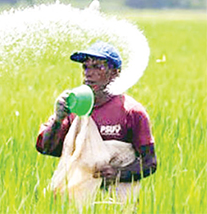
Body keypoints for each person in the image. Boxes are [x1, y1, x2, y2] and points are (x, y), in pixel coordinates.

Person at [36, 41, 157, 189]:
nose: (88, 73)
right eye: (85, 67)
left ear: (115, 73)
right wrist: (58, 120)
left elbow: (150, 162)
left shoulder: (131, 112)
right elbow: (47, 148)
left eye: (97, 67)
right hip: (76, 200)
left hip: (117, 202)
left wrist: (119, 173)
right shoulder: (73, 107)